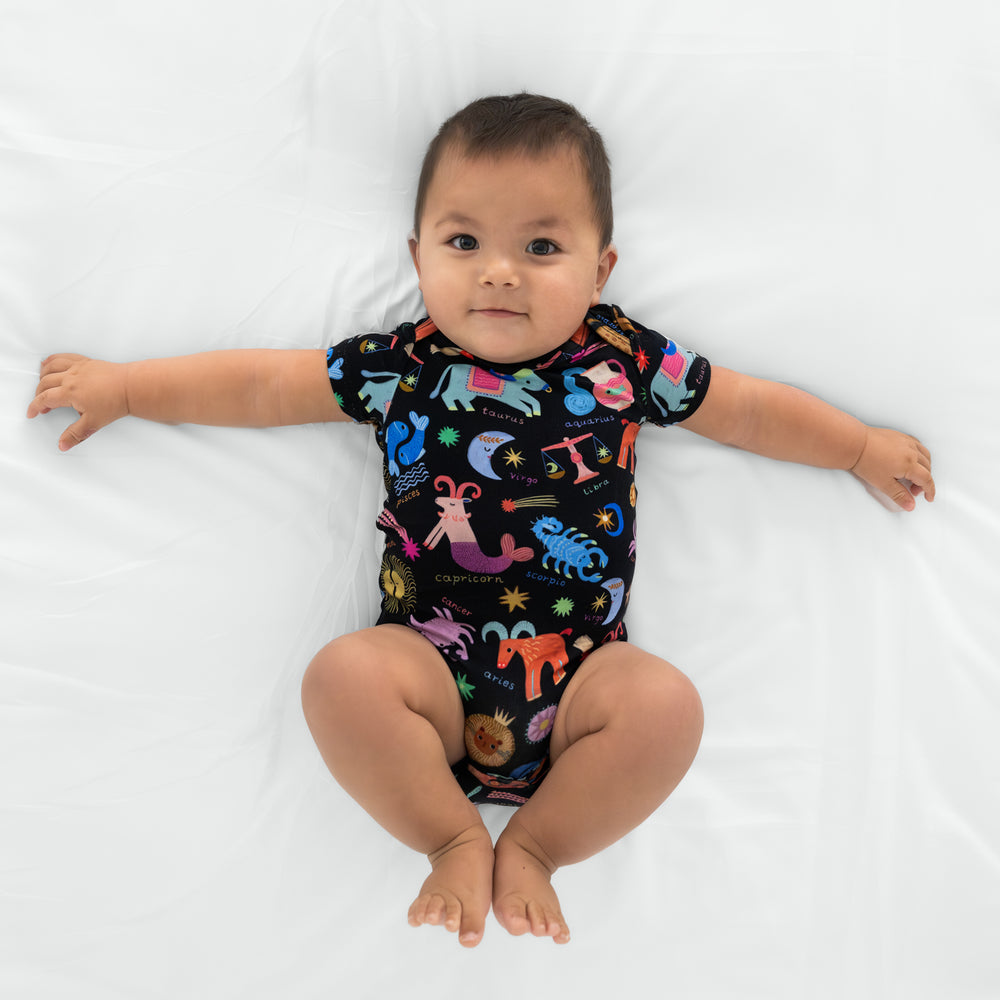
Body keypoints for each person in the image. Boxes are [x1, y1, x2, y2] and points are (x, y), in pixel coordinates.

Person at [26, 93, 935, 949]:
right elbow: (266, 385)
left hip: (580, 682)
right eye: (464, 241)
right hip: (427, 673)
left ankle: (537, 846)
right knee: (342, 677)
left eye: (542, 247)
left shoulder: (624, 360)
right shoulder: (400, 364)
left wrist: (855, 446)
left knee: (667, 707)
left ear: (601, 267)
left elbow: (745, 408)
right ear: (417, 255)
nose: (499, 270)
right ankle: (452, 838)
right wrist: (133, 388)